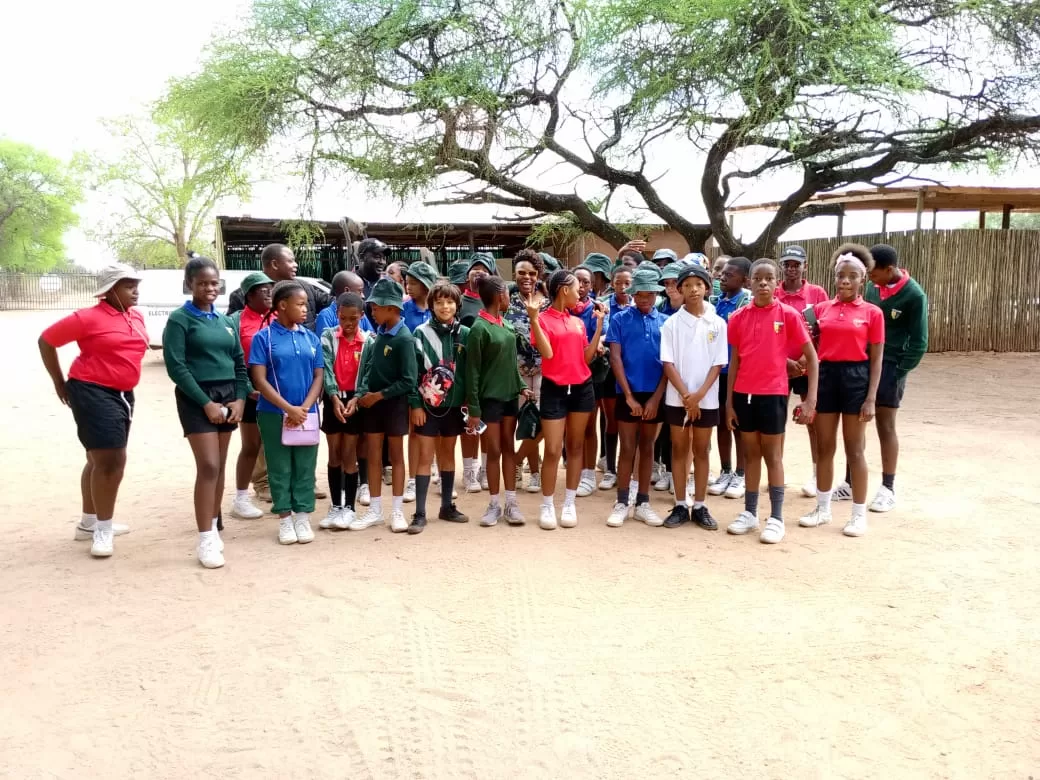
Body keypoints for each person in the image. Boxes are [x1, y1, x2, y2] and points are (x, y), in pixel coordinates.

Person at [38, 263, 148, 558]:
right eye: (128, 285)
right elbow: (46, 341)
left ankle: (89, 523)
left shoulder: (135, 315)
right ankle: (103, 529)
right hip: (92, 391)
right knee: (112, 460)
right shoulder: (86, 318)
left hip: (124, 395)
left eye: (136, 284)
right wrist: (59, 382)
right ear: (109, 290)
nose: (135, 290)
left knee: (98, 459)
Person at [163, 256, 249, 569]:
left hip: (228, 395)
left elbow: (239, 363)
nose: (209, 288)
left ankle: (213, 526)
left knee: (220, 465)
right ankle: (205, 539)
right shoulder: (180, 320)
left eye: (214, 283)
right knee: (209, 466)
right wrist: (206, 403)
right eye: (202, 283)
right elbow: (176, 367)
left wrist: (240, 399)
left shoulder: (225, 321)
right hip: (196, 397)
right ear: (189, 285)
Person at [725, 258, 818, 544]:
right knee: (751, 454)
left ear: (776, 283)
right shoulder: (737, 318)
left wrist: (811, 400)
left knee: (773, 455)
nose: (763, 283)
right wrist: (729, 403)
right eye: (757, 279)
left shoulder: (788, 315)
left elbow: (812, 357)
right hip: (744, 395)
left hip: (774, 394)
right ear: (749, 282)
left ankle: (776, 518)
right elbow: (735, 362)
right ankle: (750, 512)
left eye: (768, 278)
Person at [799, 252, 885, 537]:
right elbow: (810, 348)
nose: (845, 281)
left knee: (855, 449)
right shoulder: (820, 309)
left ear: (863, 280)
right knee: (825, 447)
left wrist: (871, 398)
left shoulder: (873, 313)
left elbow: (876, 359)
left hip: (856, 379)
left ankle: (858, 515)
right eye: (840, 275)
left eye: (852, 276)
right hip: (826, 377)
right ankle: (822, 509)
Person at [248, 281, 325, 546]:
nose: (305, 309)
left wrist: (303, 408)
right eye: (300, 304)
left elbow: (318, 376)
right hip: (273, 413)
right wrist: (287, 408)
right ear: (282, 305)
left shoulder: (311, 338)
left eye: (306, 305)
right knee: (279, 466)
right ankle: (284, 518)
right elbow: (259, 380)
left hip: (307, 413)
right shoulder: (264, 338)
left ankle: (302, 516)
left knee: (305, 465)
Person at [530, 269, 605, 530]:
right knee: (552, 449)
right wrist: (534, 320)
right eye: (575, 288)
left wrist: (599, 327)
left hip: (582, 388)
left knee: (575, 446)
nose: (580, 293)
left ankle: (569, 503)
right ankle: (547, 504)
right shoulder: (542, 319)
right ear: (564, 290)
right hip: (554, 389)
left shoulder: (578, 322)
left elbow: (586, 358)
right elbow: (547, 353)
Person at [659, 264, 730, 530]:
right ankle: (680, 504)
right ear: (679, 290)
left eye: (698, 284)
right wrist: (686, 396)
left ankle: (700, 505)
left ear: (707, 288)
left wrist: (698, 396)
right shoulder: (671, 324)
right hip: (677, 399)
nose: (693, 290)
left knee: (701, 450)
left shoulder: (717, 323)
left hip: (706, 399)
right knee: (679, 449)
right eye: (687, 285)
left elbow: (718, 364)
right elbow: (668, 363)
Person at [861, 243, 928, 513]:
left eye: (874, 273)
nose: (869, 278)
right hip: (863, 364)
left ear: (890, 270)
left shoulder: (914, 295)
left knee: (885, 425)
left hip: (890, 366)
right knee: (856, 423)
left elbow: (919, 342)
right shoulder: (871, 288)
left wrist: (899, 372)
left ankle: (887, 488)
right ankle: (851, 481)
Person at [349, 279, 419, 533]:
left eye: (376, 307)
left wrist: (378, 396)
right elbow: (369, 369)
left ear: (392, 308)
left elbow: (409, 380)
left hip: (394, 406)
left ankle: (397, 511)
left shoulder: (404, 339)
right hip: (372, 405)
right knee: (373, 456)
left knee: (397, 456)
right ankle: (375, 511)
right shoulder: (378, 334)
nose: (372, 311)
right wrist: (362, 395)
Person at [604, 268, 668, 528]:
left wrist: (656, 399)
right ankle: (622, 502)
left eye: (649, 294)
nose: (644, 298)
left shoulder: (665, 322)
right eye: (639, 293)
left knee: (648, 447)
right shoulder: (620, 319)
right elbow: (615, 357)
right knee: (628, 447)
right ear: (632, 293)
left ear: (655, 294)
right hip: (627, 391)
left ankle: (643, 503)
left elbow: (669, 363)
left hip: (655, 393)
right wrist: (629, 396)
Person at [464, 275, 527, 527]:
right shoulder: (479, 329)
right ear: (500, 296)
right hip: (489, 401)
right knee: (494, 451)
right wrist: (474, 408)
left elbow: (510, 364)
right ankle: (493, 504)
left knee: (509, 448)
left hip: (510, 397)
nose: (510, 298)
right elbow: (472, 372)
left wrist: (522, 386)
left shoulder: (506, 325)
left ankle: (511, 503)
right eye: (508, 294)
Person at [409, 281, 471, 532]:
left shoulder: (465, 334)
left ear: (457, 304)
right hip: (427, 406)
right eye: (439, 302)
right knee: (425, 456)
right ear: (431, 305)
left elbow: (470, 373)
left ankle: (447, 506)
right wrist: (416, 405)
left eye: (450, 302)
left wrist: (469, 404)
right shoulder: (420, 333)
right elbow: (413, 373)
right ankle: (420, 513)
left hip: (454, 406)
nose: (445, 306)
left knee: (448, 454)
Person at [774, 245, 829, 497]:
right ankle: (777, 472)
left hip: (808, 366)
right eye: (787, 264)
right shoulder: (774, 293)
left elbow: (823, 331)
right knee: (777, 420)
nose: (791, 269)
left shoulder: (817, 294)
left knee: (812, 420)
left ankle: (817, 474)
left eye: (796, 264)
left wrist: (806, 360)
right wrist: (785, 360)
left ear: (805, 266)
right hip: (780, 367)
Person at [318, 292, 370, 531]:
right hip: (333, 399)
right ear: (337, 314)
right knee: (334, 453)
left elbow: (367, 374)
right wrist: (333, 397)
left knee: (349, 453)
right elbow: (326, 368)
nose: (348, 324)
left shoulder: (368, 341)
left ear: (361, 316)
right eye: (343, 318)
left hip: (354, 402)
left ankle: (349, 508)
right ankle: (335, 505)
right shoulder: (328, 337)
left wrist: (357, 398)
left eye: (353, 319)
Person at [228, 272, 274, 521]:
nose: (269, 294)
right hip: (250, 390)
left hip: (276, 388)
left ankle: (283, 489)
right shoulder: (236, 322)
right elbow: (234, 359)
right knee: (251, 445)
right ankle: (241, 498)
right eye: (263, 290)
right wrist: (247, 388)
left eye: (270, 289)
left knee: (279, 442)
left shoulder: (278, 317)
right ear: (249, 295)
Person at [707, 257, 751, 500]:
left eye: (729, 275)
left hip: (739, 373)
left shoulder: (746, 303)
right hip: (717, 373)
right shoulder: (715, 302)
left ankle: (741, 473)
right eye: (722, 273)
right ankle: (725, 471)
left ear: (744, 280)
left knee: (739, 424)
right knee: (721, 423)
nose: (722, 277)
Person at [504, 249, 547, 493]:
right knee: (523, 421)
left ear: (538, 275)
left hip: (544, 371)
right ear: (514, 274)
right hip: (515, 372)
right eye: (521, 272)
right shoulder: (507, 301)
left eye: (531, 273)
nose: (527, 277)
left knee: (540, 422)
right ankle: (530, 471)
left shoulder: (547, 300)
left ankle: (522, 463)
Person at [227, 243, 331, 330]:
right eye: (290, 261)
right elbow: (232, 331)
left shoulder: (305, 287)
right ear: (274, 264)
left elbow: (333, 304)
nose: (296, 265)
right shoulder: (243, 295)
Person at [595, 265, 632, 491]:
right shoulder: (604, 305)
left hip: (632, 369)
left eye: (627, 283)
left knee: (632, 420)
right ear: (612, 282)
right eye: (618, 283)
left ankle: (631, 468)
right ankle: (610, 469)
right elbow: (605, 334)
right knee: (611, 420)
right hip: (610, 369)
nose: (623, 287)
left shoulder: (639, 305)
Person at [315, 270, 374, 335]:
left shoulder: (359, 313)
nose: (363, 296)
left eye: (353, 318)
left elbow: (371, 334)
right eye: (360, 291)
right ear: (347, 290)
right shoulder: (326, 316)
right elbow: (324, 339)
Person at [459, 253, 497, 328]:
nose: (480, 272)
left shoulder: (495, 301)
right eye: (475, 269)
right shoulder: (458, 301)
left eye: (485, 271)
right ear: (467, 277)